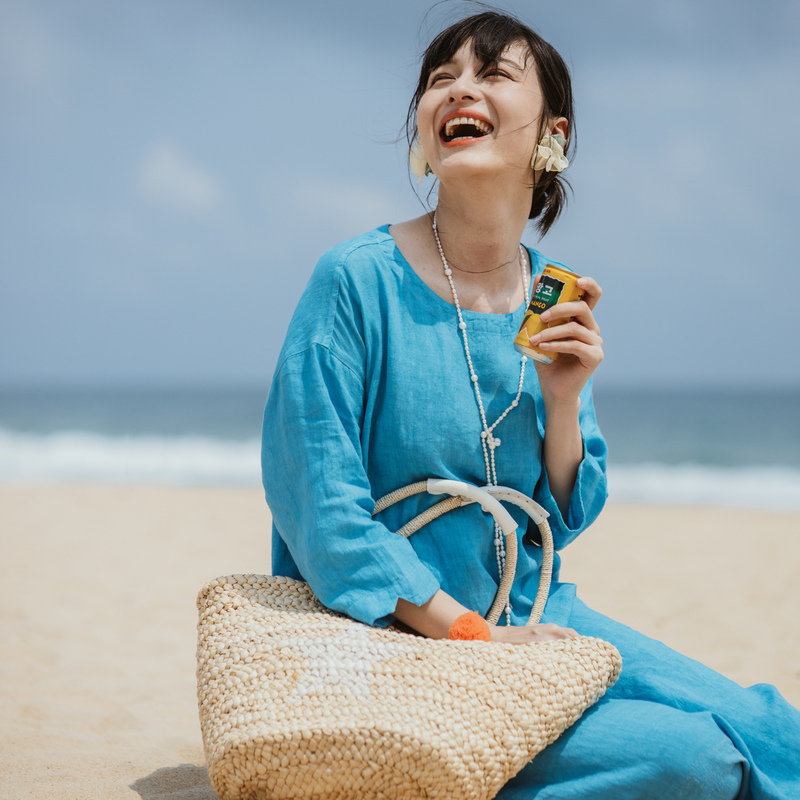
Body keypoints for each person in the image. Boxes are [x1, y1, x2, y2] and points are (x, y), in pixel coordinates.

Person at [262, 10, 800, 799]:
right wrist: (471, 634)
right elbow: (320, 509)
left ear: (553, 133)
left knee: (765, 728)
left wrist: (563, 400)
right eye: (440, 78)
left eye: (490, 74)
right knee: (693, 760)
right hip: (400, 638)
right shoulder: (353, 281)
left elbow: (564, 520)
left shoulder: (549, 293)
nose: (458, 90)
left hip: (540, 613)